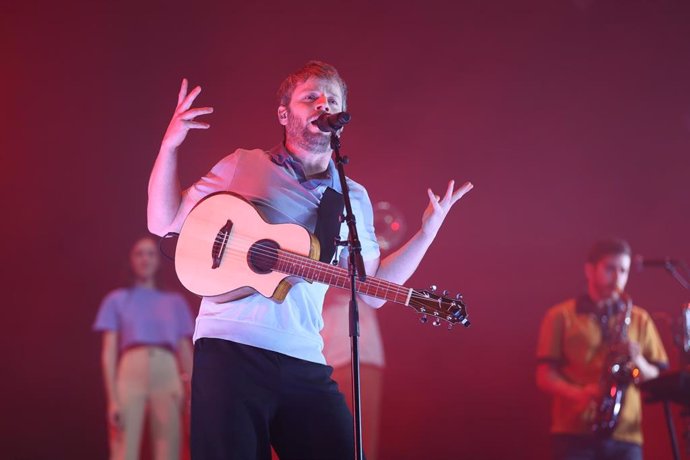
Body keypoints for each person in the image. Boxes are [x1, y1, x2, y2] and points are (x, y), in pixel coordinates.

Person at [146, 60, 473, 460]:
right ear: (284, 114)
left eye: (332, 99)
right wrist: (170, 146)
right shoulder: (243, 164)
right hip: (229, 347)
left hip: (303, 356)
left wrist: (428, 233)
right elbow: (162, 221)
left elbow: (370, 290)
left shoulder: (352, 198)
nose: (323, 103)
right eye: (311, 96)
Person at [536, 238, 669, 460]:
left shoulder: (640, 318)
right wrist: (581, 394)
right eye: (610, 269)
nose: (618, 278)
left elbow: (658, 376)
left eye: (624, 271)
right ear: (589, 270)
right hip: (573, 434)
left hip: (626, 436)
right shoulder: (560, 315)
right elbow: (544, 376)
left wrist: (638, 360)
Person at [94, 236, 195, 460]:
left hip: (166, 370)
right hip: (131, 370)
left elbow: (185, 350)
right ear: (131, 260)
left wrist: (194, 393)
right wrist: (112, 399)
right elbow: (108, 353)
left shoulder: (174, 302)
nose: (145, 259)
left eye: (150, 253)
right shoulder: (117, 300)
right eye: (139, 253)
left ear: (158, 260)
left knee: (168, 446)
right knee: (123, 446)